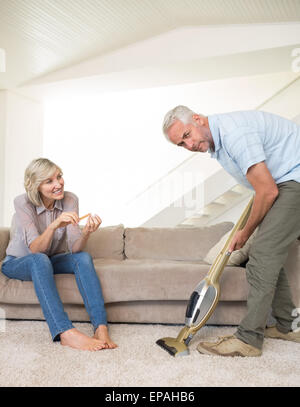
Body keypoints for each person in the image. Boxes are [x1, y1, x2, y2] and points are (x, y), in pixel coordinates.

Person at [162, 105, 300, 357]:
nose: (189, 145)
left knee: (260, 258)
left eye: (187, 134)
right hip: (284, 181)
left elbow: (267, 191)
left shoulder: (235, 134)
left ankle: (248, 339)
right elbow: (263, 186)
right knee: (268, 257)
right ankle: (288, 325)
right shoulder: (220, 142)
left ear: (197, 119)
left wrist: (245, 233)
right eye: (181, 144)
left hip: (295, 180)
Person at [1, 158, 117, 351]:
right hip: (18, 262)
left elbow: (75, 248)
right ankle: (65, 332)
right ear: (36, 186)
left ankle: (101, 327)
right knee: (39, 259)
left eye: (59, 177)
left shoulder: (70, 199)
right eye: (49, 181)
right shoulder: (23, 203)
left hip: (49, 261)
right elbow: (36, 250)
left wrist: (86, 232)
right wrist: (54, 225)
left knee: (83, 258)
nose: (58, 184)